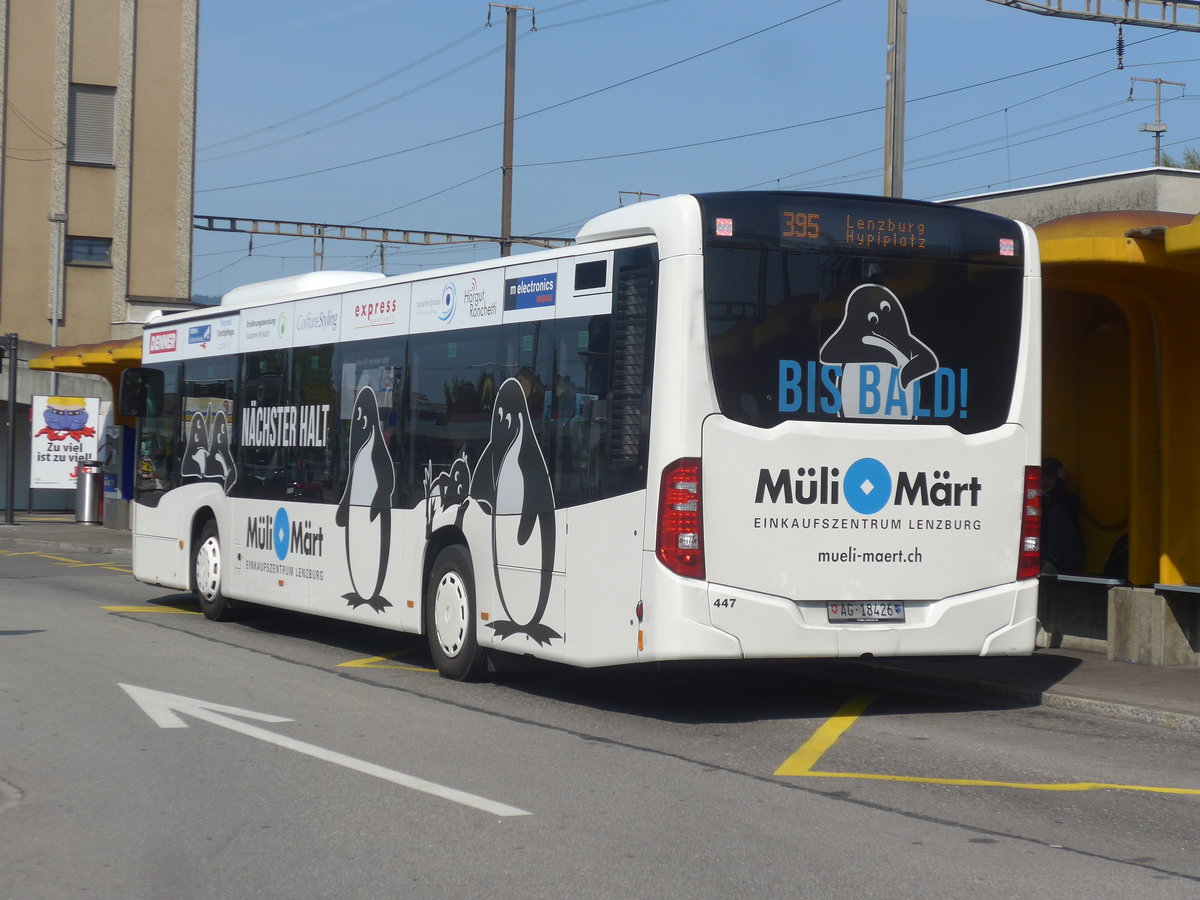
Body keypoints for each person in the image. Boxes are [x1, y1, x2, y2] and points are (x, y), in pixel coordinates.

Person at [1041, 456, 1086, 575]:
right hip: (1043, 557)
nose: (1046, 481)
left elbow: (1055, 505)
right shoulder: (1037, 500)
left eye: (1050, 477)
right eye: (1043, 477)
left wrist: (1061, 482)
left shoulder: (1070, 499)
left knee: (1057, 511)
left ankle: (1052, 559)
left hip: (1068, 556)